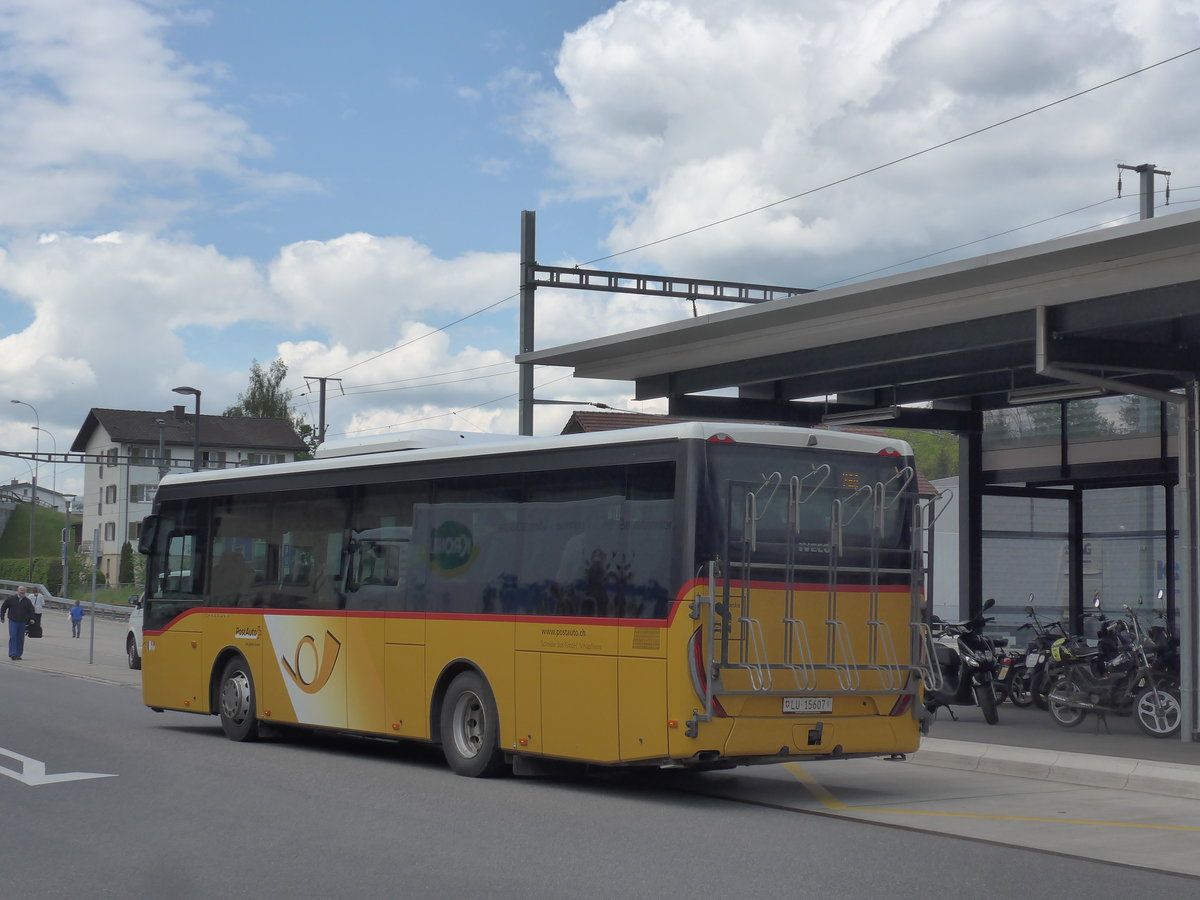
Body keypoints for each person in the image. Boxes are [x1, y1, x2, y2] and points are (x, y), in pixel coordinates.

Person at [1, 585, 36, 660]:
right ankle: (12, 653)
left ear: (25, 592)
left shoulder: (27, 601)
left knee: (20, 638)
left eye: (23, 590)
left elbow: (31, 610)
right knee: (13, 636)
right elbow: (4, 607)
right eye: (21, 590)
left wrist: (32, 618)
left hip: (22, 622)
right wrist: (2, 616)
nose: (22, 592)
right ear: (18, 590)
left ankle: (18, 654)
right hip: (13, 621)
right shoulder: (11, 599)